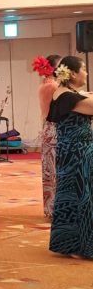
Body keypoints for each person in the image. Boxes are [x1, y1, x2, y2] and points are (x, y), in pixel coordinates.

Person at [47, 55, 93, 259]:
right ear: (72, 73)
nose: (87, 73)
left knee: (75, 195)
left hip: (76, 150)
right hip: (76, 152)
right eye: (84, 69)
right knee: (80, 196)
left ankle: (71, 244)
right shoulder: (67, 97)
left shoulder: (69, 93)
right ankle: (80, 245)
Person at [32, 54, 60, 218]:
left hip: (49, 129)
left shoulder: (46, 84)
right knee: (55, 173)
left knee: (51, 173)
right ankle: (55, 211)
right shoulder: (54, 86)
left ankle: (51, 210)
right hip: (55, 130)